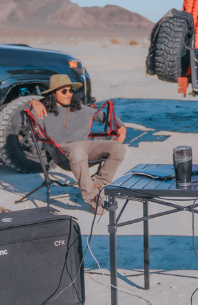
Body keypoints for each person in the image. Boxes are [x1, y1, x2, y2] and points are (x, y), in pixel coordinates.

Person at [27, 75, 127, 215]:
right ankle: (91, 198)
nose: (69, 94)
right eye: (64, 91)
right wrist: (33, 101)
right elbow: (23, 112)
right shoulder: (42, 110)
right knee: (78, 150)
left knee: (118, 148)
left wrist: (121, 126)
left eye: (70, 90)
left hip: (87, 146)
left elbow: (103, 116)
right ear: (53, 93)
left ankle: (97, 184)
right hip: (63, 150)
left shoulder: (79, 108)